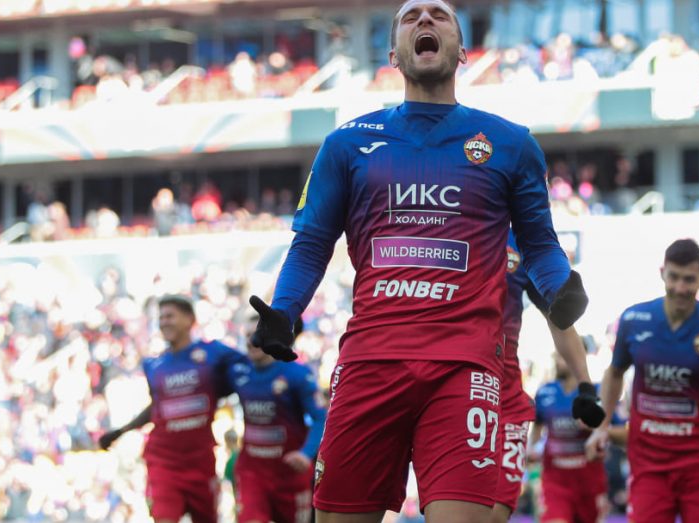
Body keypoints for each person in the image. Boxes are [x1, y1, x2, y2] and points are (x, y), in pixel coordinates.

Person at [247, 1, 593, 522]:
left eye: (439, 15)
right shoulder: (346, 144)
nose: (425, 20)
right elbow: (311, 243)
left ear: (462, 51)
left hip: (465, 367)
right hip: (369, 364)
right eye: (411, 17)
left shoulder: (512, 144)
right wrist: (285, 309)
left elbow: (540, 246)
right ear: (393, 54)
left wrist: (560, 286)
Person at [587, 239, 699, 522]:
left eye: (689, 279)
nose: (679, 287)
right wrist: (601, 427)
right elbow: (614, 373)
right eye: (674, 277)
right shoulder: (634, 319)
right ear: (662, 273)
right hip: (647, 461)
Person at [98, 295, 246, 523]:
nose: (164, 322)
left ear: (189, 319)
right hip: (164, 462)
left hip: (201, 462)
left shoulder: (214, 354)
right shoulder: (154, 365)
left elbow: (250, 368)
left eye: (170, 316)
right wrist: (122, 431)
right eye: (161, 318)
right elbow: (157, 407)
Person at [491, 230, 604, 523]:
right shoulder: (453, 221)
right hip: (454, 389)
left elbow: (560, 321)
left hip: (505, 395)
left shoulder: (524, 241)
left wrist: (586, 386)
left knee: (495, 513)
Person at [226, 312, 326, 523]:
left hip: (291, 475)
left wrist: (306, 454)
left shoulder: (298, 374)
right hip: (252, 473)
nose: (251, 341)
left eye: (257, 335)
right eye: (247, 335)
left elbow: (321, 418)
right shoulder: (238, 371)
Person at [529, 352, 626, 523]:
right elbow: (537, 427)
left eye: (562, 355)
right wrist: (531, 451)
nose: (557, 361)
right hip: (555, 481)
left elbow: (623, 432)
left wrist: (598, 428)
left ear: (579, 355)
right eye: (556, 356)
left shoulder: (599, 392)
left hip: (590, 482)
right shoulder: (545, 391)